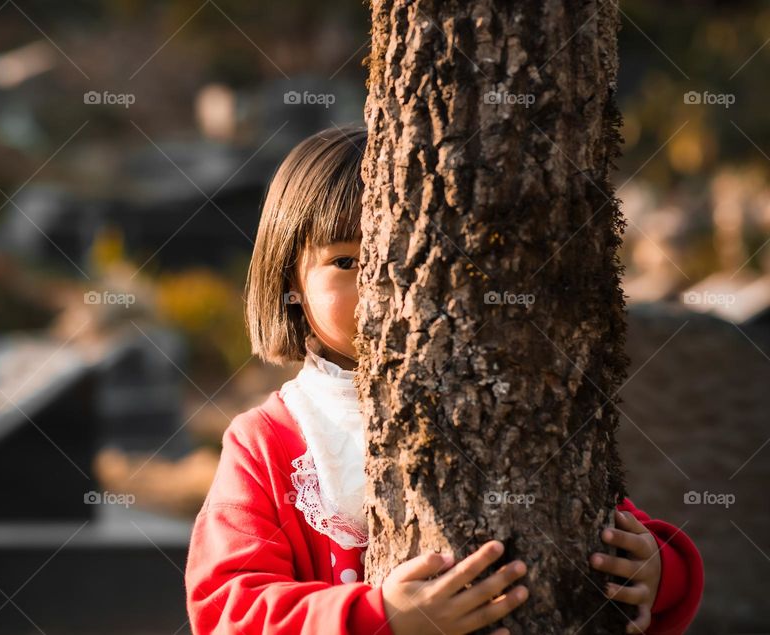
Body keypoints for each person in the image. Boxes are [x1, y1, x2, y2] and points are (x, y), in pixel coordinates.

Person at [184, 125, 704, 635]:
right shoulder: (268, 443)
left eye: (408, 256)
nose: (381, 282)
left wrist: (660, 572)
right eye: (346, 261)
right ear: (289, 282)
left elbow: (601, 516)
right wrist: (379, 616)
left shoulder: (497, 395)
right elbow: (228, 606)